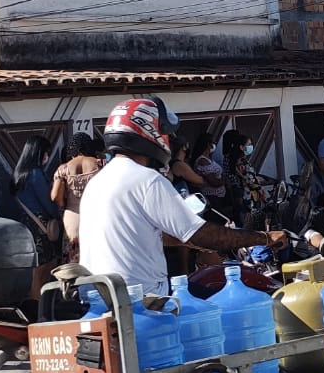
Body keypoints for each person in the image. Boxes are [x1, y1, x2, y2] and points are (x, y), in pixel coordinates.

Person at [78, 98, 285, 298]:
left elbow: (141, 235)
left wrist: (188, 242)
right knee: (232, 307)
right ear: (150, 133)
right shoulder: (147, 180)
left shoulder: (97, 182)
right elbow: (201, 234)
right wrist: (265, 238)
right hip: (145, 298)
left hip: (98, 297)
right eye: (165, 133)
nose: (168, 140)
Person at [11, 135, 64, 297]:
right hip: (41, 224)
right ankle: (39, 304)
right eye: (46, 152)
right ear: (38, 153)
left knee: (37, 266)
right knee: (45, 266)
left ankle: (35, 302)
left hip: (28, 224)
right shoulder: (35, 174)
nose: (47, 157)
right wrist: (60, 216)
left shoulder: (19, 174)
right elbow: (47, 201)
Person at [50, 133, 103, 261]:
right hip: (98, 217)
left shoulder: (63, 170)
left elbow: (55, 197)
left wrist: (64, 203)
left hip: (72, 218)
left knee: (73, 261)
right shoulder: (102, 165)